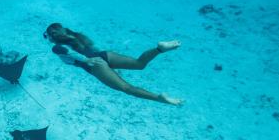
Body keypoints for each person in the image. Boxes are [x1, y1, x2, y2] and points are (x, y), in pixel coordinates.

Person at [44, 23, 184, 105]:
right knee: (139, 63)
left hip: (95, 65)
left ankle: (160, 98)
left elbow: (65, 52)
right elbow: (94, 49)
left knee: (127, 88)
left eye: (47, 36)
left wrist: (86, 60)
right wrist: (109, 65)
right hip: (104, 55)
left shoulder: (57, 47)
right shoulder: (76, 36)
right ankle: (160, 48)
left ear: (51, 36)